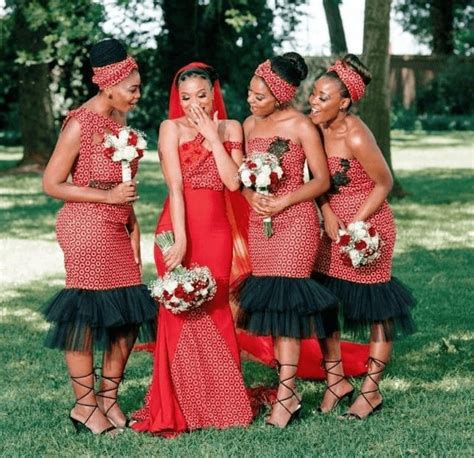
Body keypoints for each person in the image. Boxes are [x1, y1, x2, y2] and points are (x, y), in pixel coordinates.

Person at [132, 63, 253, 437]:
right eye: (186, 97)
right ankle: (179, 403)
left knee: (214, 308)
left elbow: (233, 183)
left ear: (214, 92)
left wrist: (212, 138)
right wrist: (181, 238)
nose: (193, 104)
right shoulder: (169, 129)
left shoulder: (231, 128)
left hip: (217, 231)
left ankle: (222, 404)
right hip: (177, 226)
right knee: (178, 312)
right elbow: (176, 188)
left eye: (201, 95)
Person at [42, 38, 156, 435]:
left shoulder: (118, 121)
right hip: (85, 226)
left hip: (119, 226)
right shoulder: (80, 123)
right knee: (86, 317)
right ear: (108, 85)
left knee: (127, 316)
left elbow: (123, 184)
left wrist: (133, 224)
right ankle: (85, 406)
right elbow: (52, 183)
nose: (138, 95)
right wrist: (106, 197)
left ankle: (109, 399)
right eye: (132, 88)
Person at [234, 53, 340, 428]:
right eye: (250, 92)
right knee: (273, 309)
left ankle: (286, 394)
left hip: (295, 222)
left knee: (287, 307)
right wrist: (252, 198)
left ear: (280, 95)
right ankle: (289, 391)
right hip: (260, 222)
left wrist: (283, 200)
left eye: (259, 95)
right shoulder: (248, 125)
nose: (251, 100)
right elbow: (240, 178)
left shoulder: (301, 127)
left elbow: (321, 181)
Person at [309, 54, 416, 419]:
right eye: (313, 94)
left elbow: (384, 182)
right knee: (324, 304)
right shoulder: (314, 128)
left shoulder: (356, 134)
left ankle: (370, 390)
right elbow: (317, 181)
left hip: (367, 226)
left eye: (323, 97)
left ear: (344, 102)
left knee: (376, 307)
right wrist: (326, 214)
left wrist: (354, 225)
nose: (314, 102)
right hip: (331, 225)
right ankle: (335, 381)